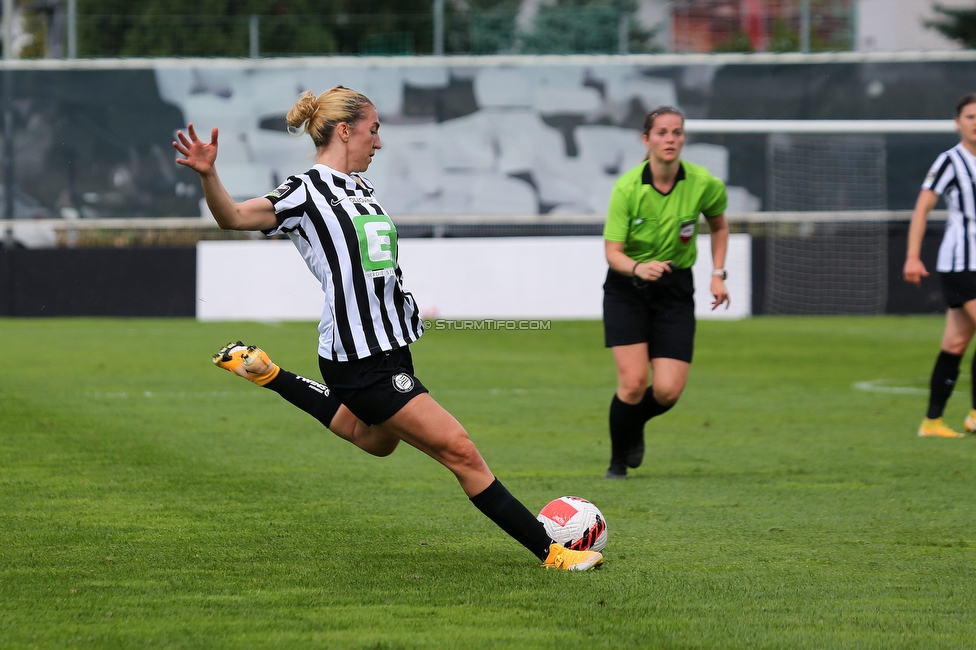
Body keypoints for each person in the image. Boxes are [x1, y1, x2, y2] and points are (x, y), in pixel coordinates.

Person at [173, 85, 602, 570]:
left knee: (374, 440)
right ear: (344, 130)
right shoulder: (305, 190)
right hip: (359, 359)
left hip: (391, 347)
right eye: (373, 130)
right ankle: (552, 553)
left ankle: (269, 374)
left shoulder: (360, 189)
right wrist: (210, 175)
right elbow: (232, 217)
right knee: (460, 451)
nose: (378, 143)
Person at [601, 105, 730, 479]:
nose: (670, 139)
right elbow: (613, 253)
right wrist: (639, 267)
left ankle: (634, 420)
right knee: (634, 382)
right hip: (628, 288)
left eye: (677, 132)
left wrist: (718, 274)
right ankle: (617, 463)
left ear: (683, 138)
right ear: (647, 140)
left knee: (669, 391)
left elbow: (720, 228)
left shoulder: (704, 183)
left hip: (675, 288)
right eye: (662, 133)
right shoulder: (627, 188)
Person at [903, 92, 976, 439]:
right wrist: (913, 256)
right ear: (957, 122)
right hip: (963, 263)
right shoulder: (950, 161)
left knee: (956, 343)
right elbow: (922, 209)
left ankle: (932, 422)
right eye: (970, 117)